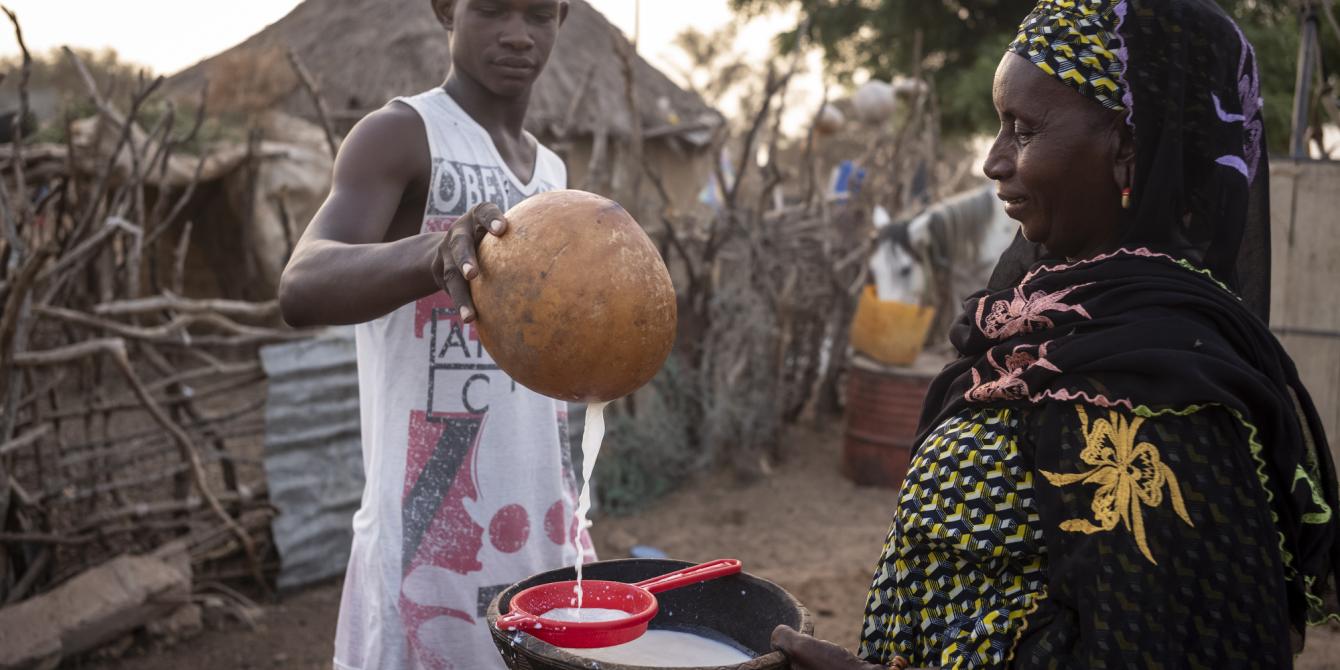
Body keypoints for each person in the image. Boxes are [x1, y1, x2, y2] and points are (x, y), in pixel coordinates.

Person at [773, 0, 1340, 667]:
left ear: (1129, 148)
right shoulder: (1045, 327)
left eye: (1022, 129)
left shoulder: (1167, 398)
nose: (992, 161)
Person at [278, 2, 589, 669]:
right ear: (446, 8)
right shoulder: (401, 134)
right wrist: (431, 254)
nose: (516, 32)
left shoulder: (553, 176)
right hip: (428, 542)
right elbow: (301, 285)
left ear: (562, 16)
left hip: (540, 522)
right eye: (492, 8)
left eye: (538, 12)